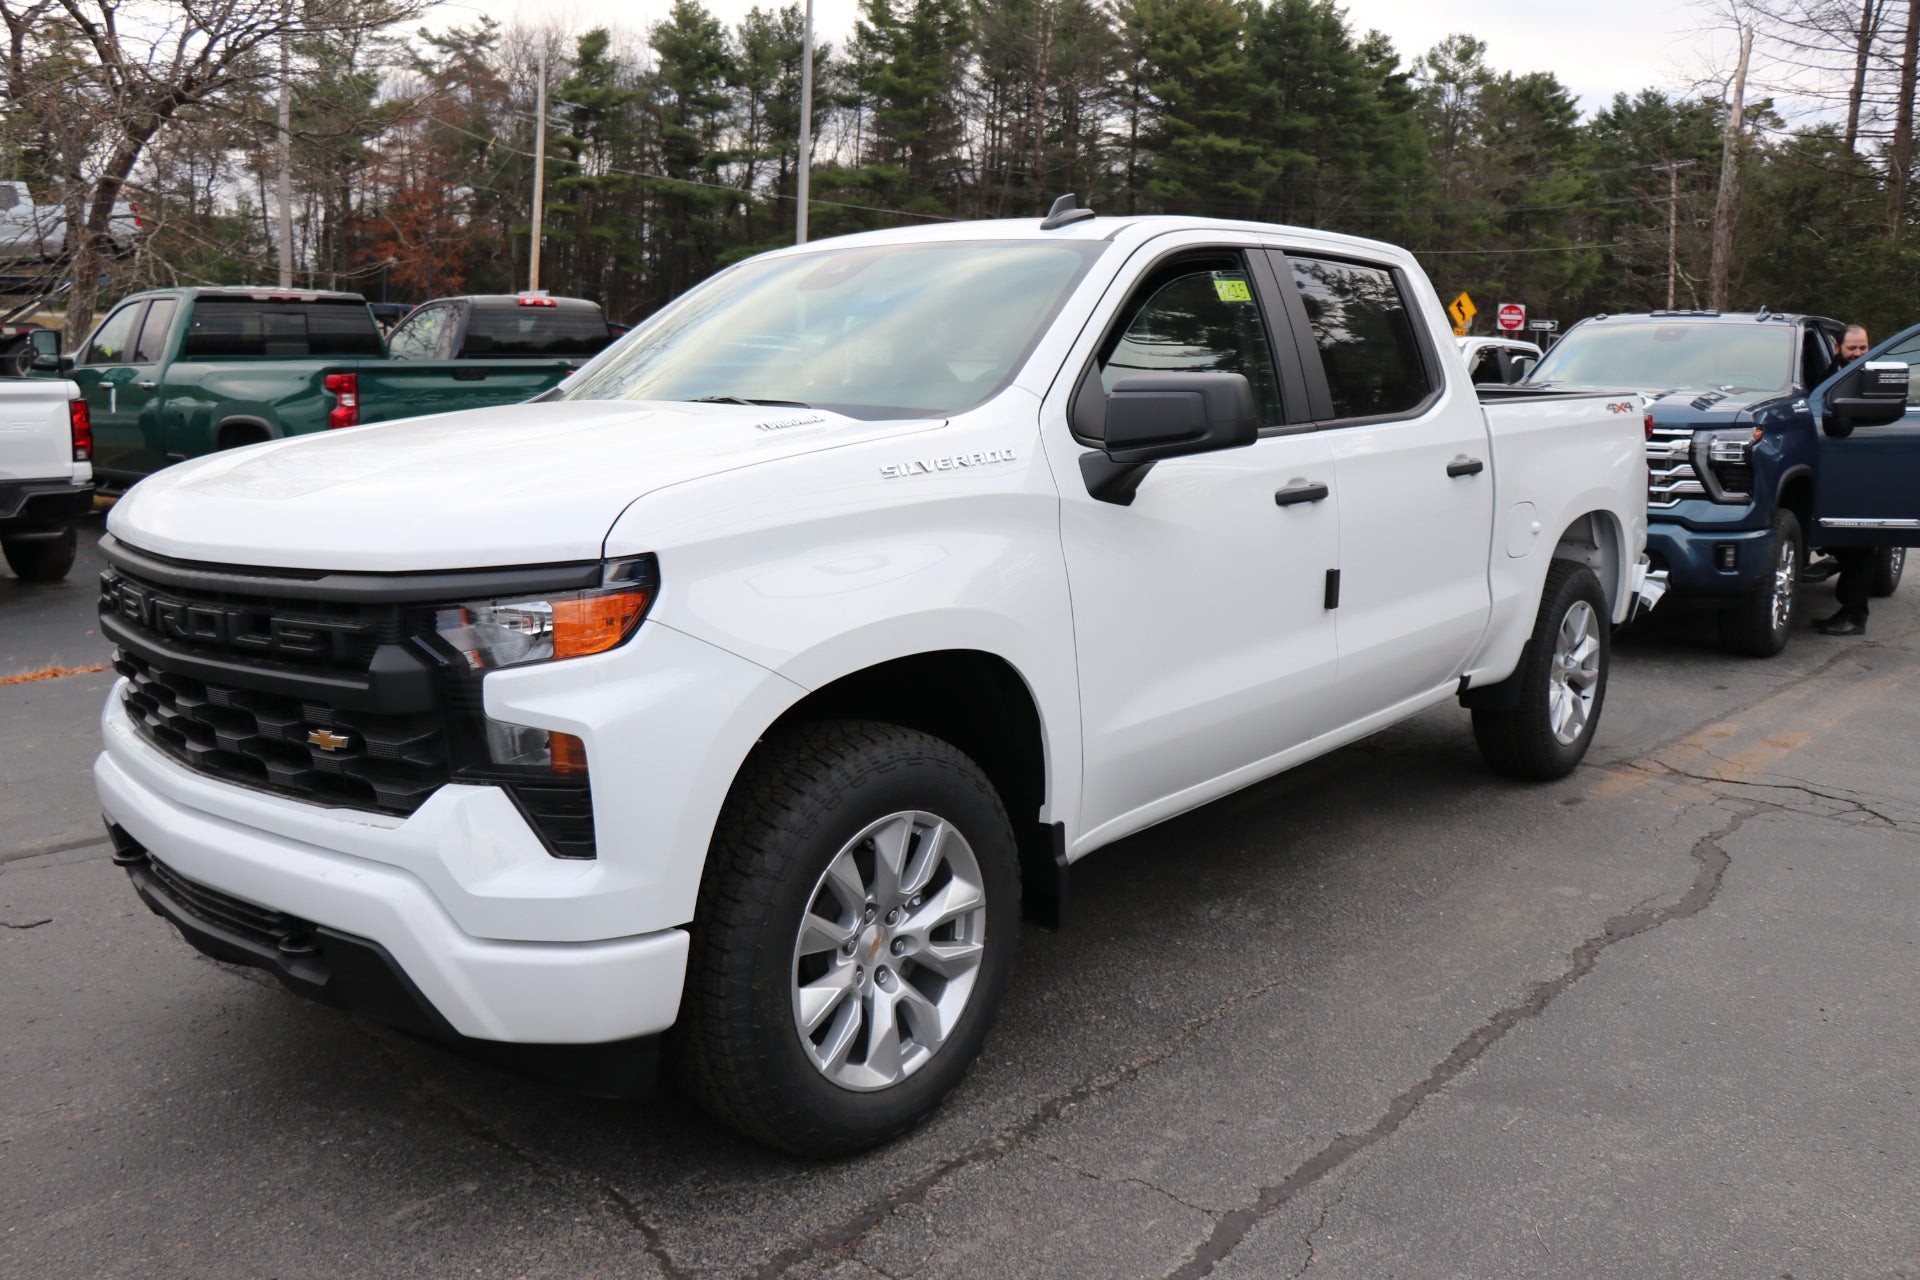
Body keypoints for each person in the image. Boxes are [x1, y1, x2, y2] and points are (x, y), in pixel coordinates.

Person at [1816, 325, 1874, 635]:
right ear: (1838, 348)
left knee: (1859, 542)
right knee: (1843, 542)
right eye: (1852, 348)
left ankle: (1854, 615)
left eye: (1863, 348)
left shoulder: (1874, 381)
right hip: (1827, 469)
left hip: (1864, 470)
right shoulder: (1823, 377)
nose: (1858, 354)